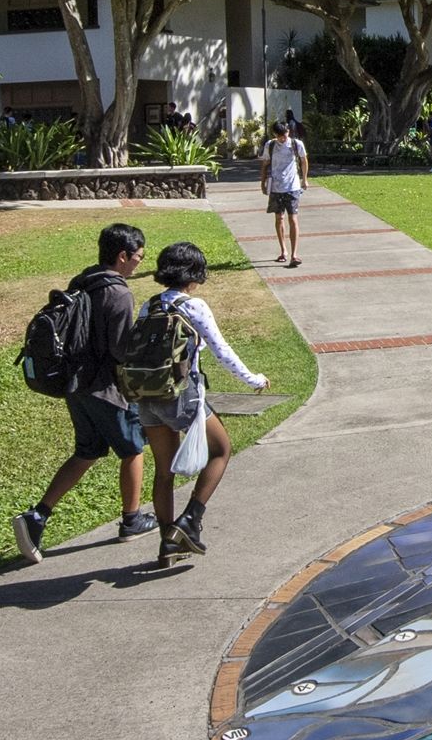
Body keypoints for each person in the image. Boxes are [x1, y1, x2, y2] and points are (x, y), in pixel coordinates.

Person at [11, 223, 155, 562]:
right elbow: (120, 350)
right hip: (106, 389)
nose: (138, 264)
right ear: (122, 256)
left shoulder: (84, 280)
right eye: (137, 257)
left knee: (87, 452)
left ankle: (38, 516)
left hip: (75, 385)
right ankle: (132, 520)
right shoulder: (118, 293)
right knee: (134, 448)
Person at [129, 241, 267, 566]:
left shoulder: (148, 306)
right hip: (181, 394)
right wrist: (254, 380)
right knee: (221, 450)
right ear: (194, 273)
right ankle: (190, 520)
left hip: (147, 397)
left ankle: (168, 544)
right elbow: (222, 350)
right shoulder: (193, 306)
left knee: (164, 472)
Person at [259, 118, 309, 268]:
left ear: (288, 131)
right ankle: (283, 251)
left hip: (292, 186)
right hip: (276, 186)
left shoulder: (296, 144)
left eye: (285, 134)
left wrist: (304, 179)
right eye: (280, 135)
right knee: (279, 218)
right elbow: (265, 164)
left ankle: (294, 254)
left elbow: (304, 161)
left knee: (293, 219)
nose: (283, 137)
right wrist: (262, 182)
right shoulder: (270, 145)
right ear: (275, 134)